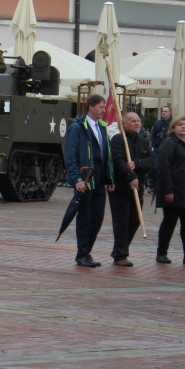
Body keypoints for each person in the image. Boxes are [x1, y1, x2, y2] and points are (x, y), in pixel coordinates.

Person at [64, 93, 115, 267]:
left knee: (97, 217)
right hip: (86, 180)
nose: (103, 110)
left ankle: (87, 251)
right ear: (91, 107)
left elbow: (106, 154)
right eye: (101, 107)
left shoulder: (101, 127)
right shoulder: (78, 127)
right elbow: (71, 155)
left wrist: (110, 178)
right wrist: (76, 178)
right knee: (85, 218)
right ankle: (82, 253)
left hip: (99, 180)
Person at [154, 116, 185, 266]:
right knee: (169, 222)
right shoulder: (169, 143)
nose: (183, 127)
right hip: (174, 190)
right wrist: (168, 189)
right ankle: (161, 253)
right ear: (173, 128)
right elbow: (164, 167)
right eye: (180, 125)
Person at [108, 111, 155, 266]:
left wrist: (137, 164)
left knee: (135, 220)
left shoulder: (142, 141)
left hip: (137, 187)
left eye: (138, 121)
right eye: (133, 121)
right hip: (121, 188)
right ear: (124, 124)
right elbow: (118, 161)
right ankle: (121, 255)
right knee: (121, 221)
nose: (137, 123)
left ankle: (119, 249)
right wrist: (130, 176)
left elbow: (151, 161)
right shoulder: (118, 140)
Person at [149, 106, 172, 194]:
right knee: (155, 168)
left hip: (168, 149)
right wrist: (155, 144)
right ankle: (154, 186)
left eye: (166, 111)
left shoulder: (172, 123)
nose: (164, 113)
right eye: (162, 111)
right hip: (158, 148)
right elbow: (153, 135)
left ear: (170, 113)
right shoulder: (157, 123)